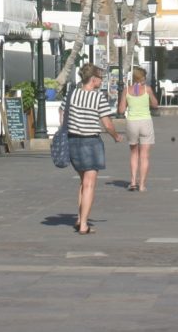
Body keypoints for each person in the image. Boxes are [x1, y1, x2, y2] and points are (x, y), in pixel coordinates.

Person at [64, 64, 122, 234]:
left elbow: (62, 115)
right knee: (89, 184)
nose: (102, 81)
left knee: (83, 182)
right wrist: (115, 136)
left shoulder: (71, 94)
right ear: (93, 79)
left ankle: (79, 218)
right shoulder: (98, 98)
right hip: (90, 142)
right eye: (100, 78)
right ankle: (84, 225)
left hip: (73, 141)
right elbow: (107, 124)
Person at [118, 66, 158, 192]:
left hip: (132, 123)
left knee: (134, 153)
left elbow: (121, 110)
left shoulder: (127, 90)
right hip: (145, 122)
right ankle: (142, 185)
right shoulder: (147, 89)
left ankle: (133, 181)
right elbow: (155, 104)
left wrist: (128, 102)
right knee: (144, 156)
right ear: (142, 77)